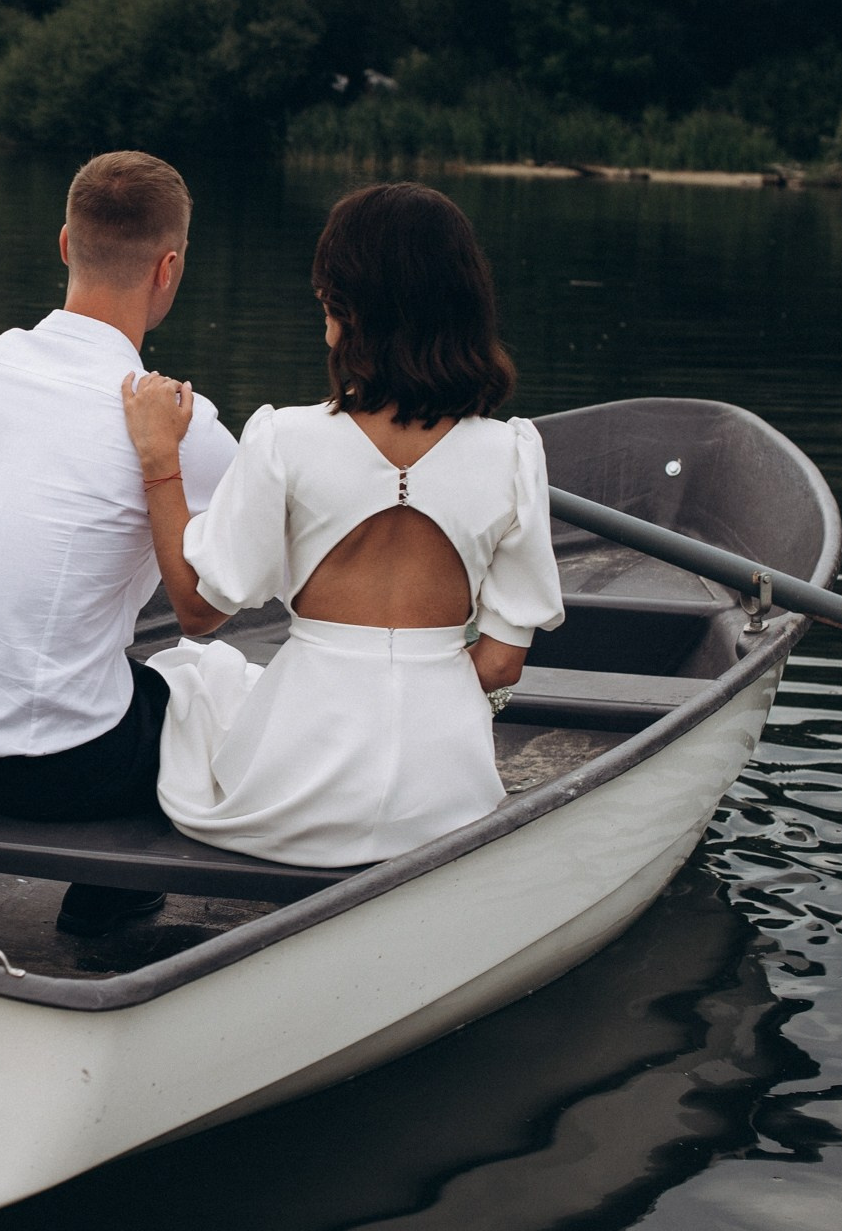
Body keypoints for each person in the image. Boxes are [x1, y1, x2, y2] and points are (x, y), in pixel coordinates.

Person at [119, 181, 565, 868]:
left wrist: (159, 461)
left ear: (344, 306)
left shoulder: (285, 438)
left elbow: (195, 607)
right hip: (447, 799)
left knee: (194, 676)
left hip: (294, 793)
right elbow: (501, 662)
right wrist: (422, 695)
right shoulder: (513, 454)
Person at [0, 151, 237, 934]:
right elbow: (228, 597)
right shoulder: (182, 422)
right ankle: (112, 907)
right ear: (169, 269)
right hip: (73, 771)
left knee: (133, 673)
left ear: (65, 243)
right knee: (213, 678)